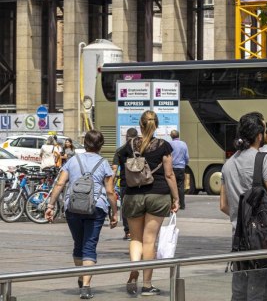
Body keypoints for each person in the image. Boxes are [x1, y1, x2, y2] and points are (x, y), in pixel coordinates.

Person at [43, 130, 117, 300]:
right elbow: (110, 191)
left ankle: (80, 275)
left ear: (85, 143)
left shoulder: (72, 160)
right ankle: (86, 286)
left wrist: (50, 205)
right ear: (101, 145)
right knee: (89, 245)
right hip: (96, 208)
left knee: (78, 244)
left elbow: (60, 183)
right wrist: (115, 212)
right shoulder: (104, 163)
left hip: (73, 207)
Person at [219, 112, 267, 301]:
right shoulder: (264, 160)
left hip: (238, 239)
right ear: (259, 136)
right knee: (261, 292)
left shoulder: (228, 164)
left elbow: (223, 205)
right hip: (262, 239)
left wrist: (240, 217)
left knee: (239, 292)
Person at [115, 110, 180, 296]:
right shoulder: (164, 146)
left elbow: (119, 164)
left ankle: (134, 269)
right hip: (158, 195)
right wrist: (176, 198)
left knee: (135, 239)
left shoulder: (129, 145)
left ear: (140, 125)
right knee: (149, 240)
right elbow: (169, 174)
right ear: (156, 125)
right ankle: (147, 284)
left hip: (133, 195)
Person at [112, 128, 139, 241]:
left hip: (125, 182)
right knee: (138, 207)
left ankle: (128, 232)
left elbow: (114, 169)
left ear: (126, 136)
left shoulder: (120, 150)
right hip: (140, 182)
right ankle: (138, 230)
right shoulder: (141, 149)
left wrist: (110, 184)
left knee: (126, 208)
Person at [169, 130, 189, 210]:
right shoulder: (184, 144)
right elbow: (187, 157)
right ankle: (182, 204)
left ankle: (171, 204)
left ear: (171, 136)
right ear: (178, 135)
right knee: (180, 186)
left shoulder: (169, 144)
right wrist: (185, 163)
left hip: (172, 168)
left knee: (171, 186)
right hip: (181, 168)